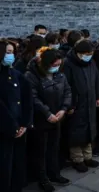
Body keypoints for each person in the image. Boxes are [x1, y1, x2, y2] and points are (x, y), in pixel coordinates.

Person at [26, 47, 72, 191]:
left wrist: (63, 109)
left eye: (59, 64)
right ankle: (42, 177)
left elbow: (67, 91)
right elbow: (33, 97)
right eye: (54, 65)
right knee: (41, 150)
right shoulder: (31, 75)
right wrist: (47, 113)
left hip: (57, 117)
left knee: (54, 147)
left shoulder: (59, 75)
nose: (57, 67)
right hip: (41, 119)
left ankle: (54, 173)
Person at [63, 40, 99, 173]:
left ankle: (88, 156)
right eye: (87, 54)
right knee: (76, 132)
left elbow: (96, 79)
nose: (89, 56)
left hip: (90, 101)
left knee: (89, 129)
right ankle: (77, 159)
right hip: (76, 103)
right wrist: (70, 104)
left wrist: (98, 96)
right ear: (79, 53)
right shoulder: (68, 64)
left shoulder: (91, 62)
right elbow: (66, 86)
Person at [0, 39, 33, 192]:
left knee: (17, 164)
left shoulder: (16, 74)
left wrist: (25, 123)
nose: (11, 56)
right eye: (7, 53)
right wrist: (12, 126)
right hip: (5, 130)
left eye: (12, 52)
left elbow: (27, 98)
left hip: (19, 128)